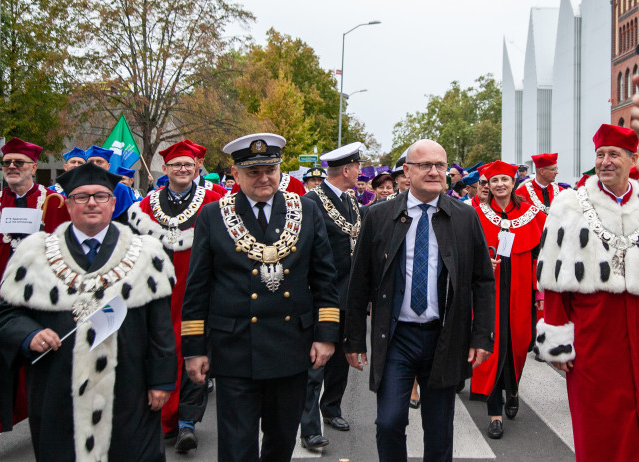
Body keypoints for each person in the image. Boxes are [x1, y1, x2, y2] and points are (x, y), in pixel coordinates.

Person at [0, 161, 177, 461]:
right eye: (82, 197)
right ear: (68, 204)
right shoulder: (34, 254)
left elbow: (160, 325)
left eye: (101, 196)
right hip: (57, 388)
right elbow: (5, 315)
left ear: (112, 202)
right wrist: (29, 334)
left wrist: (161, 381)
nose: (92, 203)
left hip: (129, 388)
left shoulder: (146, 254)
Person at [181, 133, 340, 462]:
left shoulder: (305, 211)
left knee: (281, 442)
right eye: (253, 172)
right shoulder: (213, 215)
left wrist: (326, 336)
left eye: (270, 169)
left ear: (280, 169)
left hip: (291, 347)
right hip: (235, 349)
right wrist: (194, 350)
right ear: (236, 174)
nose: (264, 178)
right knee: (237, 448)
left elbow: (325, 278)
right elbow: (197, 288)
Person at [344, 139, 495, 462]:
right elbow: (359, 284)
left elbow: (482, 280)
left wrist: (482, 335)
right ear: (407, 172)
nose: (434, 171)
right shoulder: (378, 216)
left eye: (440, 165)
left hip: (445, 336)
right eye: (425, 165)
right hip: (397, 337)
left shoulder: (464, 218)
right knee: (389, 421)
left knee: (439, 430)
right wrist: (353, 338)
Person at [535, 123, 639, 462]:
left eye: (614, 155)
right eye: (600, 155)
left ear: (631, 158)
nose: (605, 161)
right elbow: (552, 283)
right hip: (592, 334)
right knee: (597, 421)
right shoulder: (569, 204)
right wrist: (558, 344)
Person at [127, 140, 221, 453]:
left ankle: (187, 423)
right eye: (176, 165)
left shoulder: (216, 201)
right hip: (156, 294)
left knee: (194, 351)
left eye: (188, 165)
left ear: (197, 169)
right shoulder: (144, 207)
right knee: (158, 350)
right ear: (165, 170)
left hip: (198, 291)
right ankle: (161, 417)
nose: (182, 169)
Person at [0, 137, 70, 434]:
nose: (12, 167)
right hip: (2, 295)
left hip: (38, 296)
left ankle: (44, 419)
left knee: (40, 363)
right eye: (7, 163)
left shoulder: (52, 202)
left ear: (34, 167)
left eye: (19, 163)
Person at [470, 160, 546, 439]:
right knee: (491, 346)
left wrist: (540, 294)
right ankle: (494, 412)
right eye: (494, 181)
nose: (500, 184)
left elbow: (541, 257)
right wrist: (480, 264)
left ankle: (512, 390)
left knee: (518, 345)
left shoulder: (532, 214)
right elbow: (465, 254)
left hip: (521, 292)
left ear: (514, 183)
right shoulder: (475, 215)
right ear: (487, 186)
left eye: (505, 180)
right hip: (489, 294)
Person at [299, 143, 362, 449]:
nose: (360, 172)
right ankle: (309, 426)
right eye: (358, 167)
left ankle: (332, 408)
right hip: (320, 295)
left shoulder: (352, 203)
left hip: (349, 296)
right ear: (347, 170)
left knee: (340, 361)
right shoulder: (309, 202)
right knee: (316, 363)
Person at [84, 145, 138, 224]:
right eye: (91, 162)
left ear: (108, 166)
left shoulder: (121, 189)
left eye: (99, 162)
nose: (94, 165)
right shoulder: (77, 188)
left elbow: (128, 220)